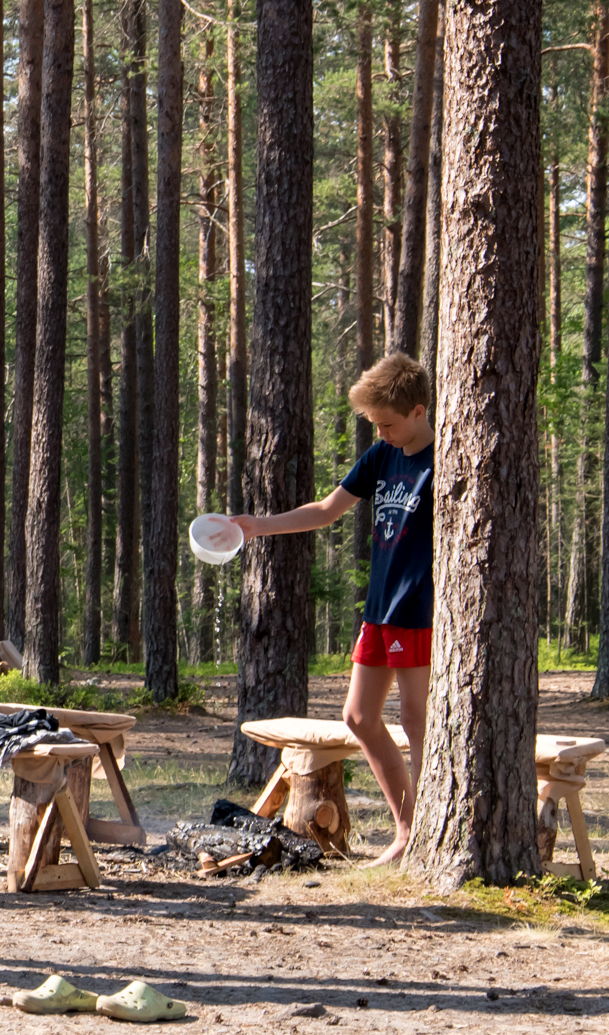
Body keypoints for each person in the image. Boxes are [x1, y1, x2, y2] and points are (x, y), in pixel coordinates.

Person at [229, 352, 433, 866]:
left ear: (418, 410)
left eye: (387, 424)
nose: (381, 433)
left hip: (421, 609)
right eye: (375, 425)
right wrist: (259, 526)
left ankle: (431, 828)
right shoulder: (381, 458)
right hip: (381, 607)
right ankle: (409, 827)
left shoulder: (442, 460)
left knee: (417, 720)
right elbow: (325, 511)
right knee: (360, 716)